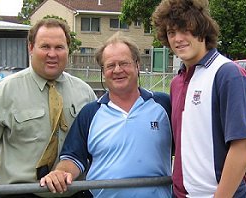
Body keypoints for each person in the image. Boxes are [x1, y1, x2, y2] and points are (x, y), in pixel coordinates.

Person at [0, 18, 97, 198]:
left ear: (69, 49)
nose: (52, 54)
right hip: (19, 193)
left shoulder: (85, 93)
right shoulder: (6, 91)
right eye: (45, 46)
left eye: (59, 47)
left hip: (73, 193)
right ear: (31, 48)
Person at [40, 32, 173, 198]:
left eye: (124, 63)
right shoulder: (90, 113)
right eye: (110, 66)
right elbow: (73, 158)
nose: (117, 70)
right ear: (103, 71)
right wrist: (60, 172)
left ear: (137, 65)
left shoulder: (164, 105)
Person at [152, 0, 246, 197]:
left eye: (185, 30)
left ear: (201, 29)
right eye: (171, 32)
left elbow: (243, 147)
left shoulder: (228, 74)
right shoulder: (176, 83)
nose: (178, 38)